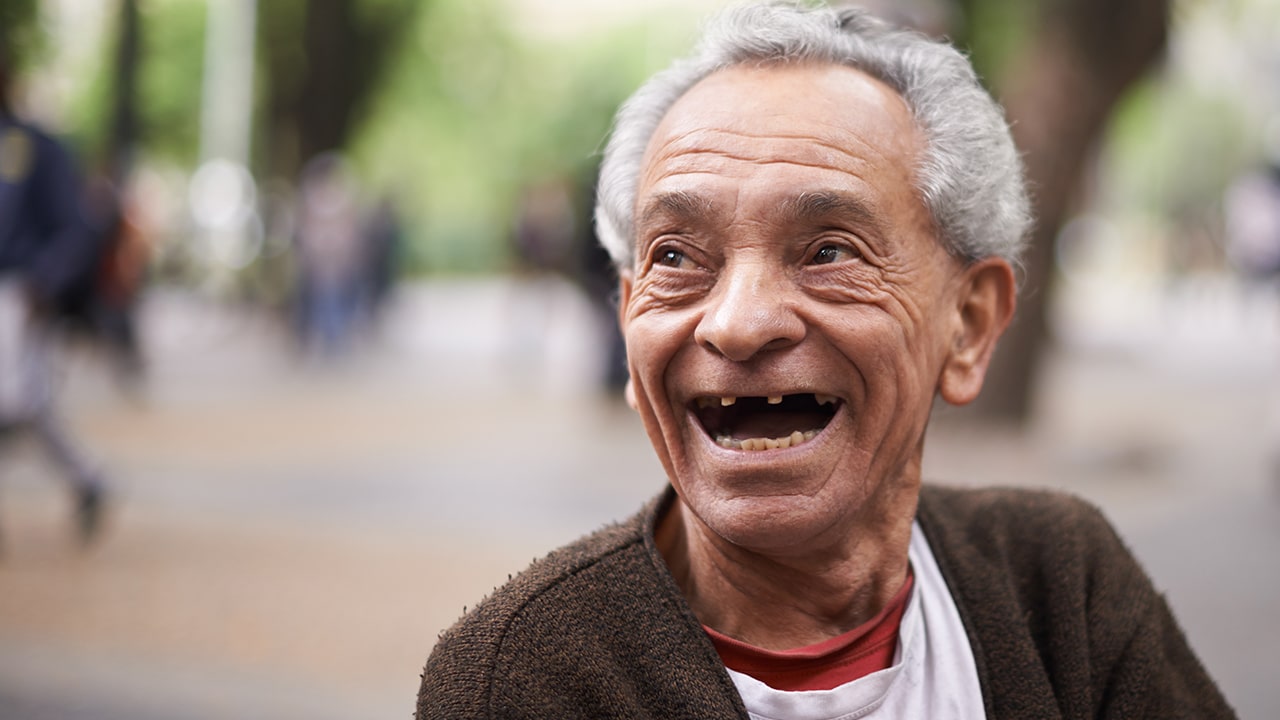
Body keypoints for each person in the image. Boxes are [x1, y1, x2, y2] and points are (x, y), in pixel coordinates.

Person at [417, 4, 1234, 718]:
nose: (738, 326)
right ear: (630, 325)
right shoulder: (519, 676)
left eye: (829, 250)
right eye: (675, 257)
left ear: (969, 325)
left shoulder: (1060, 580)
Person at [0, 41, 109, 544]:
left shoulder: (35, 147)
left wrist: (46, 280)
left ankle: (87, 479)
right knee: (29, 405)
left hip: (19, 291)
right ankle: (86, 479)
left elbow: (74, 226)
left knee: (15, 402)